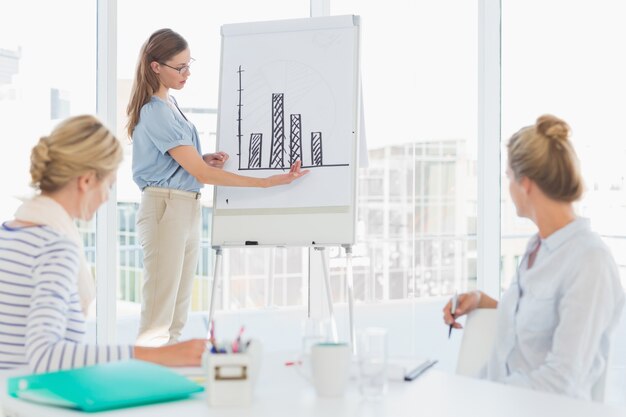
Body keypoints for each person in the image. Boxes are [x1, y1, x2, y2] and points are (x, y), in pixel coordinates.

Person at [126, 28, 309, 346]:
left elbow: (184, 162)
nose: (187, 73)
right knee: (159, 314)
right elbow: (198, 171)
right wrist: (264, 183)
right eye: (179, 67)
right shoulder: (154, 110)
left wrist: (204, 158)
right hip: (165, 207)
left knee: (176, 312)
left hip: (185, 205)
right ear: (156, 66)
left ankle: (170, 379)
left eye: (188, 64)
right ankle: (149, 382)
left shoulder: (171, 105)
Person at [0, 115, 206, 373]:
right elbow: (45, 355)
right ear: (86, 181)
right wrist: (159, 355)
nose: (107, 197)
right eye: (108, 185)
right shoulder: (55, 248)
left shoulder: (7, 234)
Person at [443, 115, 624, 400]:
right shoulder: (537, 248)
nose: (509, 189)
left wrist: (483, 396)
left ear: (525, 184)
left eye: (508, 178)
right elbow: (536, 318)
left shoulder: (590, 263)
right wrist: (481, 300)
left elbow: (561, 381)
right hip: (490, 400)